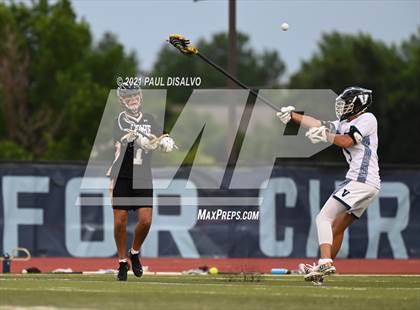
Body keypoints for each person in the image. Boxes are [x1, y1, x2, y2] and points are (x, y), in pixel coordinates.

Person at [276, 87, 380, 284]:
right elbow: (318, 124)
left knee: (323, 217)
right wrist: (292, 116)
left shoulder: (368, 118)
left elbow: (347, 141)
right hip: (370, 185)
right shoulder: (344, 122)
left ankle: (325, 262)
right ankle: (321, 269)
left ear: (359, 104)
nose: (342, 106)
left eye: (347, 102)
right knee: (336, 229)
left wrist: (325, 136)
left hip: (361, 180)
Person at [108, 82, 175, 281]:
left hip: (143, 175)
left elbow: (162, 135)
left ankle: (134, 252)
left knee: (145, 221)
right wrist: (142, 139)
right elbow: (127, 137)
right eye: (129, 97)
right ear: (122, 100)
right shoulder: (119, 120)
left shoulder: (149, 119)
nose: (133, 99)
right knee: (120, 221)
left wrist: (165, 141)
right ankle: (121, 262)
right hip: (122, 174)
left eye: (135, 95)